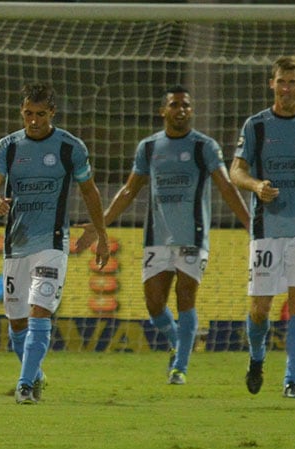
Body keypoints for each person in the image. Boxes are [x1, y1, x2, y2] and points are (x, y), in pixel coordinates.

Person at [79, 85, 250, 385]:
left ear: (191, 110)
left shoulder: (204, 146)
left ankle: (179, 368)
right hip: (157, 237)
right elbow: (130, 189)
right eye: (175, 105)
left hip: (193, 237)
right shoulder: (149, 147)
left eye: (186, 105)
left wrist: (250, 223)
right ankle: (179, 340)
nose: (181, 110)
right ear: (163, 111)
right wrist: (100, 224)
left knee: (186, 296)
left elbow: (225, 186)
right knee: (154, 304)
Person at [0, 83, 110, 404]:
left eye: (40, 114)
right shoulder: (9, 146)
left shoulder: (69, 147)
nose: (33, 120)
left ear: (52, 113)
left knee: (40, 312)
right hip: (16, 244)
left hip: (52, 243)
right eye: (28, 114)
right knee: (17, 321)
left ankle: (25, 386)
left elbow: (90, 191)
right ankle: (35, 373)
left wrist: (100, 232)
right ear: (21, 112)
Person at [229, 56, 295, 399]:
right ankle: (257, 358)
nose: (286, 88)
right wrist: (256, 186)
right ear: (272, 84)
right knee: (260, 307)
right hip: (266, 227)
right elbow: (236, 171)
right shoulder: (256, 126)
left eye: (292, 82)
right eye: (281, 82)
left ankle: (292, 380)